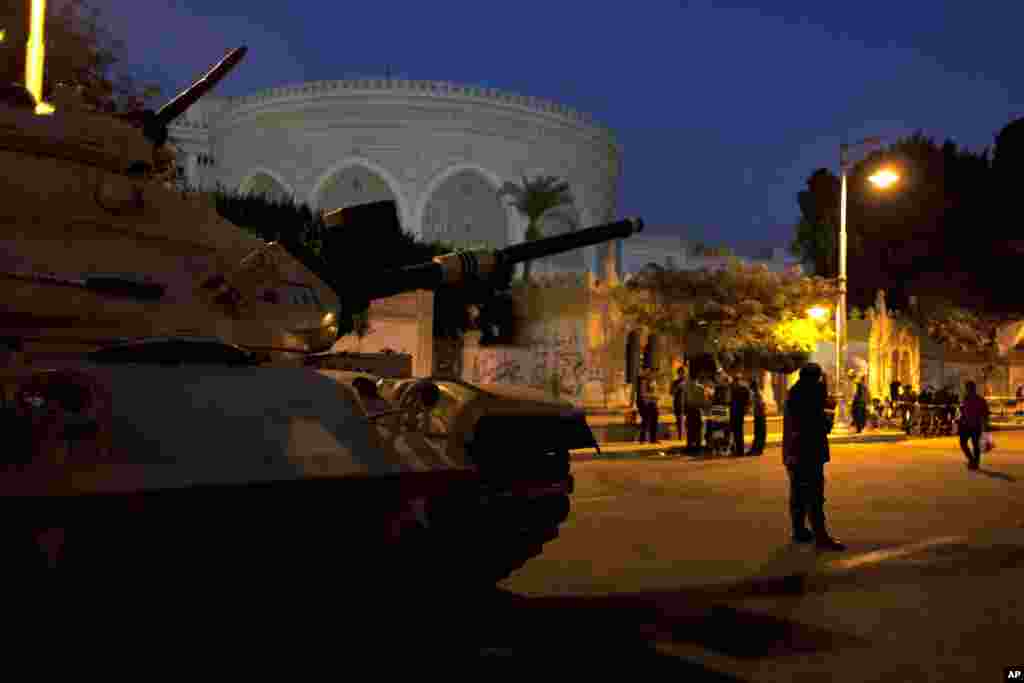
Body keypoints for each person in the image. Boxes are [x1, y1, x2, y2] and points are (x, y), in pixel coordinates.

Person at [781, 363, 846, 551]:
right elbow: (823, 426)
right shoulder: (811, 397)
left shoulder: (794, 392)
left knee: (798, 493)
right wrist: (829, 410)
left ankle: (799, 530)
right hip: (808, 453)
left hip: (793, 452)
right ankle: (821, 537)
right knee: (814, 495)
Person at [958, 380, 990, 470]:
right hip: (971, 425)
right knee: (972, 444)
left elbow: (985, 413)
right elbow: (985, 413)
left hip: (972, 425)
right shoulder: (969, 399)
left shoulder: (973, 399)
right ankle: (974, 461)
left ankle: (973, 461)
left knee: (968, 444)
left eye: (967, 388)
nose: (966, 390)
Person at [684, 373, 708, 452]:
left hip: (691, 410)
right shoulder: (701, 388)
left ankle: (690, 447)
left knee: (690, 430)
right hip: (698, 410)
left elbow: (685, 401)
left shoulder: (687, 388)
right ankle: (697, 447)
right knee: (698, 431)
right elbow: (704, 401)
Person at [636, 366, 660, 444]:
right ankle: (642, 438)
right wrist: (653, 396)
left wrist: (655, 397)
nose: (654, 374)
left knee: (654, 418)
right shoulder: (643, 380)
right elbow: (642, 394)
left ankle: (653, 438)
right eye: (652, 372)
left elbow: (655, 391)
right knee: (646, 419)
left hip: (652, 402)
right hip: (644, 402)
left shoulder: (653, 380)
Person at [730, 375, 750, 457]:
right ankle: (739, 449)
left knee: (736, 431)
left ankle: (738, 450)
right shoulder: (744, 389)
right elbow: (747, 400)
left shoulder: (734, 389)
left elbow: (730, 400)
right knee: (739, 431)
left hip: (735, 412)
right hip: (739, 412)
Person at [747, 378, 767, 456]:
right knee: (759, 433)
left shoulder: (757, 394)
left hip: (759, 416)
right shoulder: (758, 393)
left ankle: (757, 449)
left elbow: (760, 405)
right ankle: (758, 449)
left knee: (759, 433)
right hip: (760, 415)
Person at [670, 366, 687, 441]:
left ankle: (686, 436)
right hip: (678, 403)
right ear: (678, 373)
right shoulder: (675, 382)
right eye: (681, 373)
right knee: (679, 420)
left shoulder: (688, 382)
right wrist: (677, 387)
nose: (682, 374)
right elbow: (671, 393)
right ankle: (680, 437)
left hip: (687, 403)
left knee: (687, 420)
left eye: (683, 373)